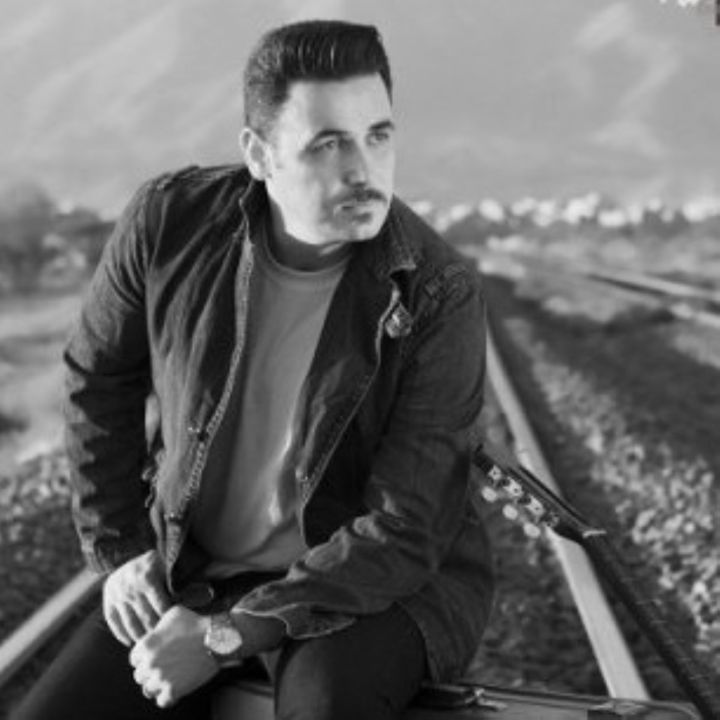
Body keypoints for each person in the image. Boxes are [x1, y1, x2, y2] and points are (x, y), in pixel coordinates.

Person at [13, 19, 494, 720]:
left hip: (364, 588)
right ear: (259, 155)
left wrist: (224, 638)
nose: (362, 170)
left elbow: (404, 527)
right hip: (196, 571)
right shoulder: (167, 225)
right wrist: (121, 551)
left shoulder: (437, 292)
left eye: (378, 136)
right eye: (328, 144)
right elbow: (98, 377)